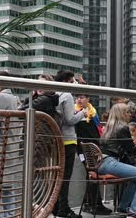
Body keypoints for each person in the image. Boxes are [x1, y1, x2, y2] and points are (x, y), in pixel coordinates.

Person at [99, 103, 136, 218]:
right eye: (127, 112)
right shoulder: (123, 128)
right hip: (110, 163)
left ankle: (123, 207)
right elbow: (131, 150)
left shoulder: (109, 127)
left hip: (102, 163)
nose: (130, 114)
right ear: (121, 114)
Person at [52, 70, 86, 218]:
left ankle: (56, 207)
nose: (74, 84)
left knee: (58, 176)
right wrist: (82, 113)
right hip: (68, 139)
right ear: (67, 81)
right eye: (73, 81)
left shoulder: (55, 94)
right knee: (66, 176)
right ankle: (64, 210)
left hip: (57, 139)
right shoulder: (67, 95)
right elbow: (70, 120)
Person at [0, 71, 23, 217]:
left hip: (0, 147)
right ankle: (9, 215)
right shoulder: (14, 98)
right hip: (12, 146)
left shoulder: (0, 97)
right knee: (7, 187)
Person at [74, 93, 112, 215]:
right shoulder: (76, 114)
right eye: (78, 97)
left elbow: (96, 130)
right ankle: (95, 205)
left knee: (90, 175)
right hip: (85, 150)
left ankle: (90, 204)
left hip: (93, 149)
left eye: (82, 97)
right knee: (92, 175)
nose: (79, 99)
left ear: (88, 99)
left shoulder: (93, 112)